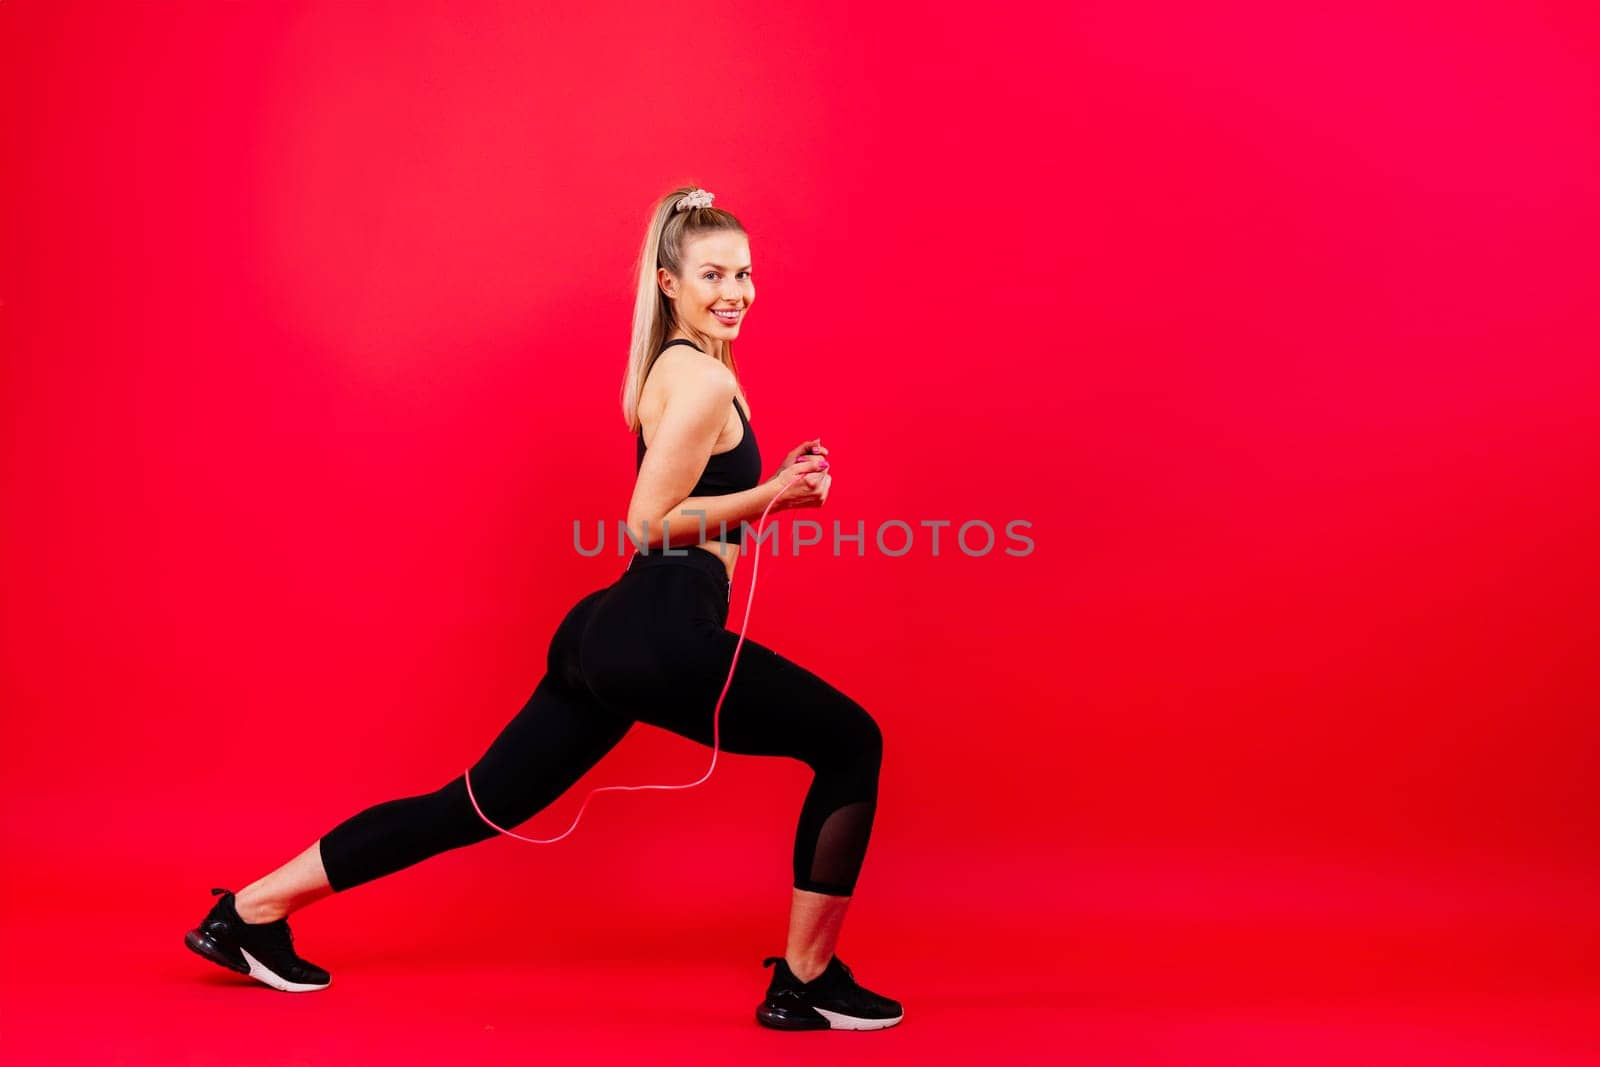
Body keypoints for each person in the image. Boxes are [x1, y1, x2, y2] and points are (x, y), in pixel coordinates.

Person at [184, 185, 904, 1031]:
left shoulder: (670, 367)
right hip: (660, 632)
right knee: (854, 741)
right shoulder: (704, 377)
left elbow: (682, 496)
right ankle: (805, 981)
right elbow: (649, 523)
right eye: (712, 274)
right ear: (669, 282)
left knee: (473, 805)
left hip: (608, 631)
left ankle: (250, 912)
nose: (735, 292)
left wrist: (763, 484)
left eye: (745, 273)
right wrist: (774, 496)